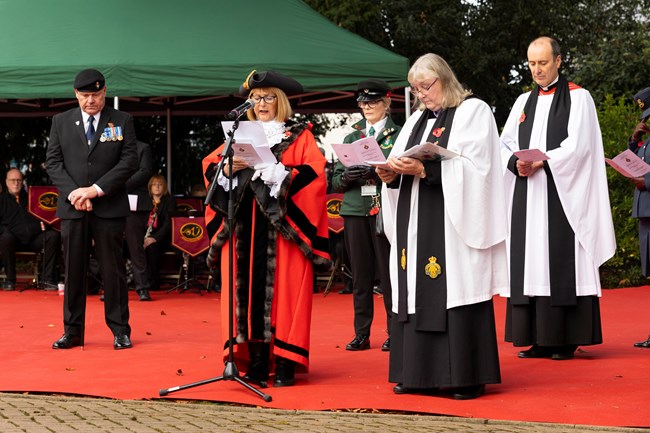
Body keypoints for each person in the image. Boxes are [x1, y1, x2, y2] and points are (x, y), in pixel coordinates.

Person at [376, 53, 508, 399]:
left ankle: (466, 376)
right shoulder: (416, 120)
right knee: (414, 290)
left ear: (445, 79)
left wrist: (427, 171)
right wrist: (390, 175)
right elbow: (401, 161)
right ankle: (416, 374)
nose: (420, 94)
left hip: (452, 226)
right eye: (415, 89)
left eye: (425, 86)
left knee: (452, 289)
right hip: (415, 221)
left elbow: (482, 169)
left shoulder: (473, 111)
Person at [204, 70, 329, 387]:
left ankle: (287, 362)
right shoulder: (238, 134)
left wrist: (277, 172)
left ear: (281, 101)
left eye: (268, 97)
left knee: (285, 297)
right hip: (245, 227)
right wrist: (227, 170)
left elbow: (315, 176)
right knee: (247, 295)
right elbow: (210, 166)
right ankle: (257, 360)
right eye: (256, 98)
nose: (261, 103)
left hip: (281, 232)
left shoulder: (299, 136)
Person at [500, 37, 616, 360]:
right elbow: (503, 142)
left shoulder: (580, 99)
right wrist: (516, 162)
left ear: (559, 61)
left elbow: (580, 147)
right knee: (531, 263)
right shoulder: (523, 102)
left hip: (561, 195)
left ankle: (565, 338)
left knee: (559, 262)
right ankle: (536, 337)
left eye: (543, 63)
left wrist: (542, 161)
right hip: (528, 194)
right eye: (532, 63)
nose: (536, 69)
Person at [46, 68, 138, 350]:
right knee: (73, 270)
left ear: (105, 92)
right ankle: (72, 331)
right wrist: (76, 193)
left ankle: (120, 329)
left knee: (114, 270)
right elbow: (53, 162)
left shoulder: (121, 120)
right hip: (74, 207)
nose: (91, 101)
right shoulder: (61, 121)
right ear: (76, 94)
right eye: (85, 95)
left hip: (108, 205)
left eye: (96, 95)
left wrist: (95, 190)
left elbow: (129, 160)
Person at [331, 79, 400, 352]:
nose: (367, 107)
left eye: (372, 101)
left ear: (386, 102)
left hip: (384, 207)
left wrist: (381, 171)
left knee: (388, 273)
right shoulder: (351, 137)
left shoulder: (399, 133)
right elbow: (336, 182)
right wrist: (347, 176)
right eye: (362, 102)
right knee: (359, 276)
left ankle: (395, 331)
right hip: (355, 209)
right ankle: (361, 333)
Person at [0, 168, 61, 291]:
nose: (16, 183)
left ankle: (47, 279)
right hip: (13, 241)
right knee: (6, 237)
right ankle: (10, 280)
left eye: (18, 180)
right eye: (12, 180)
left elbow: (46, 217)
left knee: (52, 236)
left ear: (22, 182)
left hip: (34, 239)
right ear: (6, 182)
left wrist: (45, 225)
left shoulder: (32, 198)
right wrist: (10, 230)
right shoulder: (1, 201)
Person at [627, 87, 650, 349]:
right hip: (645, 213)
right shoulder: (646, 139)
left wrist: (646, 182)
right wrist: (633, 141)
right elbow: (634, 161)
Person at [124, 141, 154, 301]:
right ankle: (112, 289)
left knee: (136, 247)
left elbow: (145, 171)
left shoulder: (143, 147)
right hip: (111, 200)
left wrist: (120, 185)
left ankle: (142, 287)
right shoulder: (111, 146)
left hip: (134, 202)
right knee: (111, 248)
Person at [143, 174, 176, 293]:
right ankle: (138, 280)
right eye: (154, 184)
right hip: (145, 235)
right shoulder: (145, 201)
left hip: (162, 237)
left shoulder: (169, 201)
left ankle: (153, 281)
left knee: (152, 247)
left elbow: (168, 225)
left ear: (164, 187)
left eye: (160, 184)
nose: (157, 187)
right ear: (150, 187)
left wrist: (154, 238)